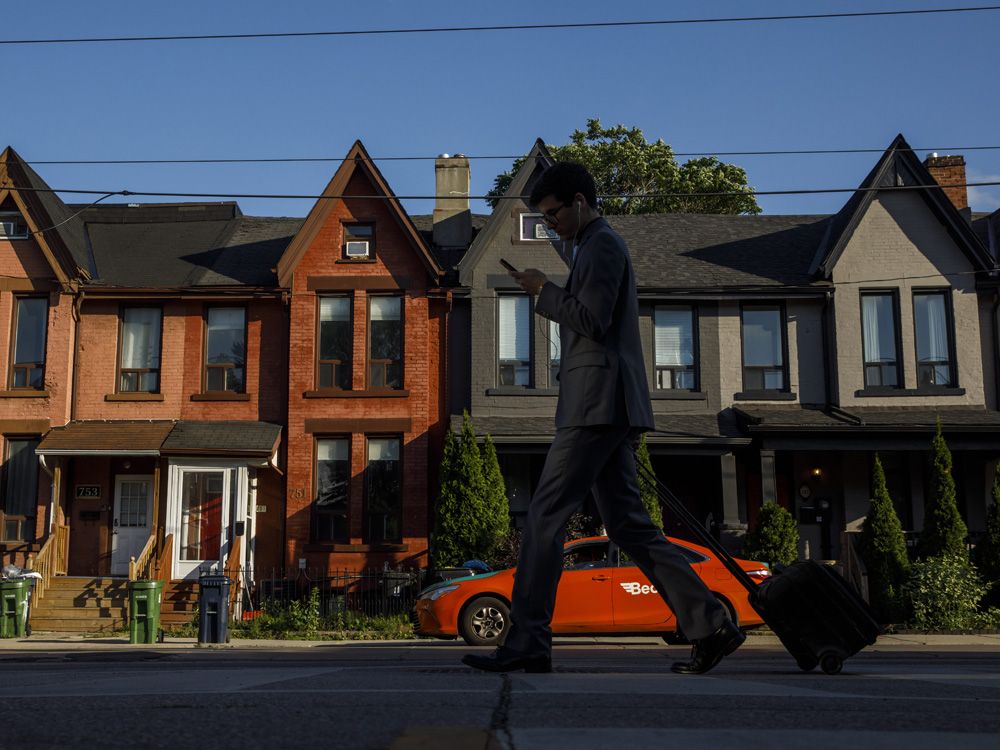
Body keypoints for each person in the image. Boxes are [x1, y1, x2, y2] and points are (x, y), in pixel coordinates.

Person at [462, 162, 744, 675]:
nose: (550, 226)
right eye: (542, 219)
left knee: (545, 519)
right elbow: (581, 287)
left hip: (597, 404)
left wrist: (541, 291)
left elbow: (592, 318)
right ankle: (711, 623)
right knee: (630, 526)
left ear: (579, 200)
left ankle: (527, 641)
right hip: (605, 404)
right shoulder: (590, 245)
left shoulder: (604, 245)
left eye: (553, 214)